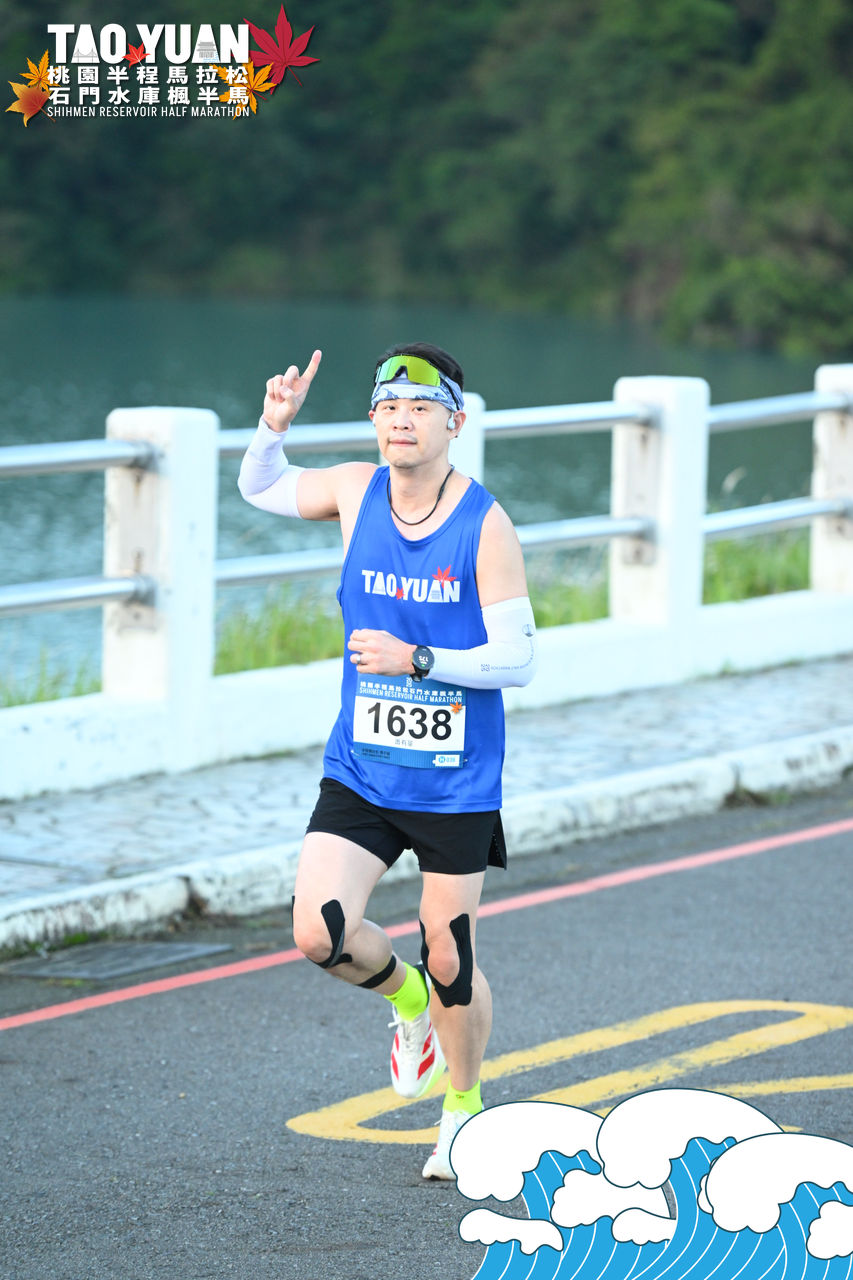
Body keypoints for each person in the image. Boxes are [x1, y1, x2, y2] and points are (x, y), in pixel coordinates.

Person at [238, 342, 537, 1179]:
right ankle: (406, 1004)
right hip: (362, 768)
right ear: (374, 419)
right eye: (388, 407)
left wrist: (419, 661)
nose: (402, 421)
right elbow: (260, 486)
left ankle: (463, 1110)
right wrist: (271, 426)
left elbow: (518, 659)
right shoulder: (353, 490)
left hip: (454, 781)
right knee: (318, 933)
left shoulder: (483, 523)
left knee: (450, 956)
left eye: (421, 408)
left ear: (454, 423)